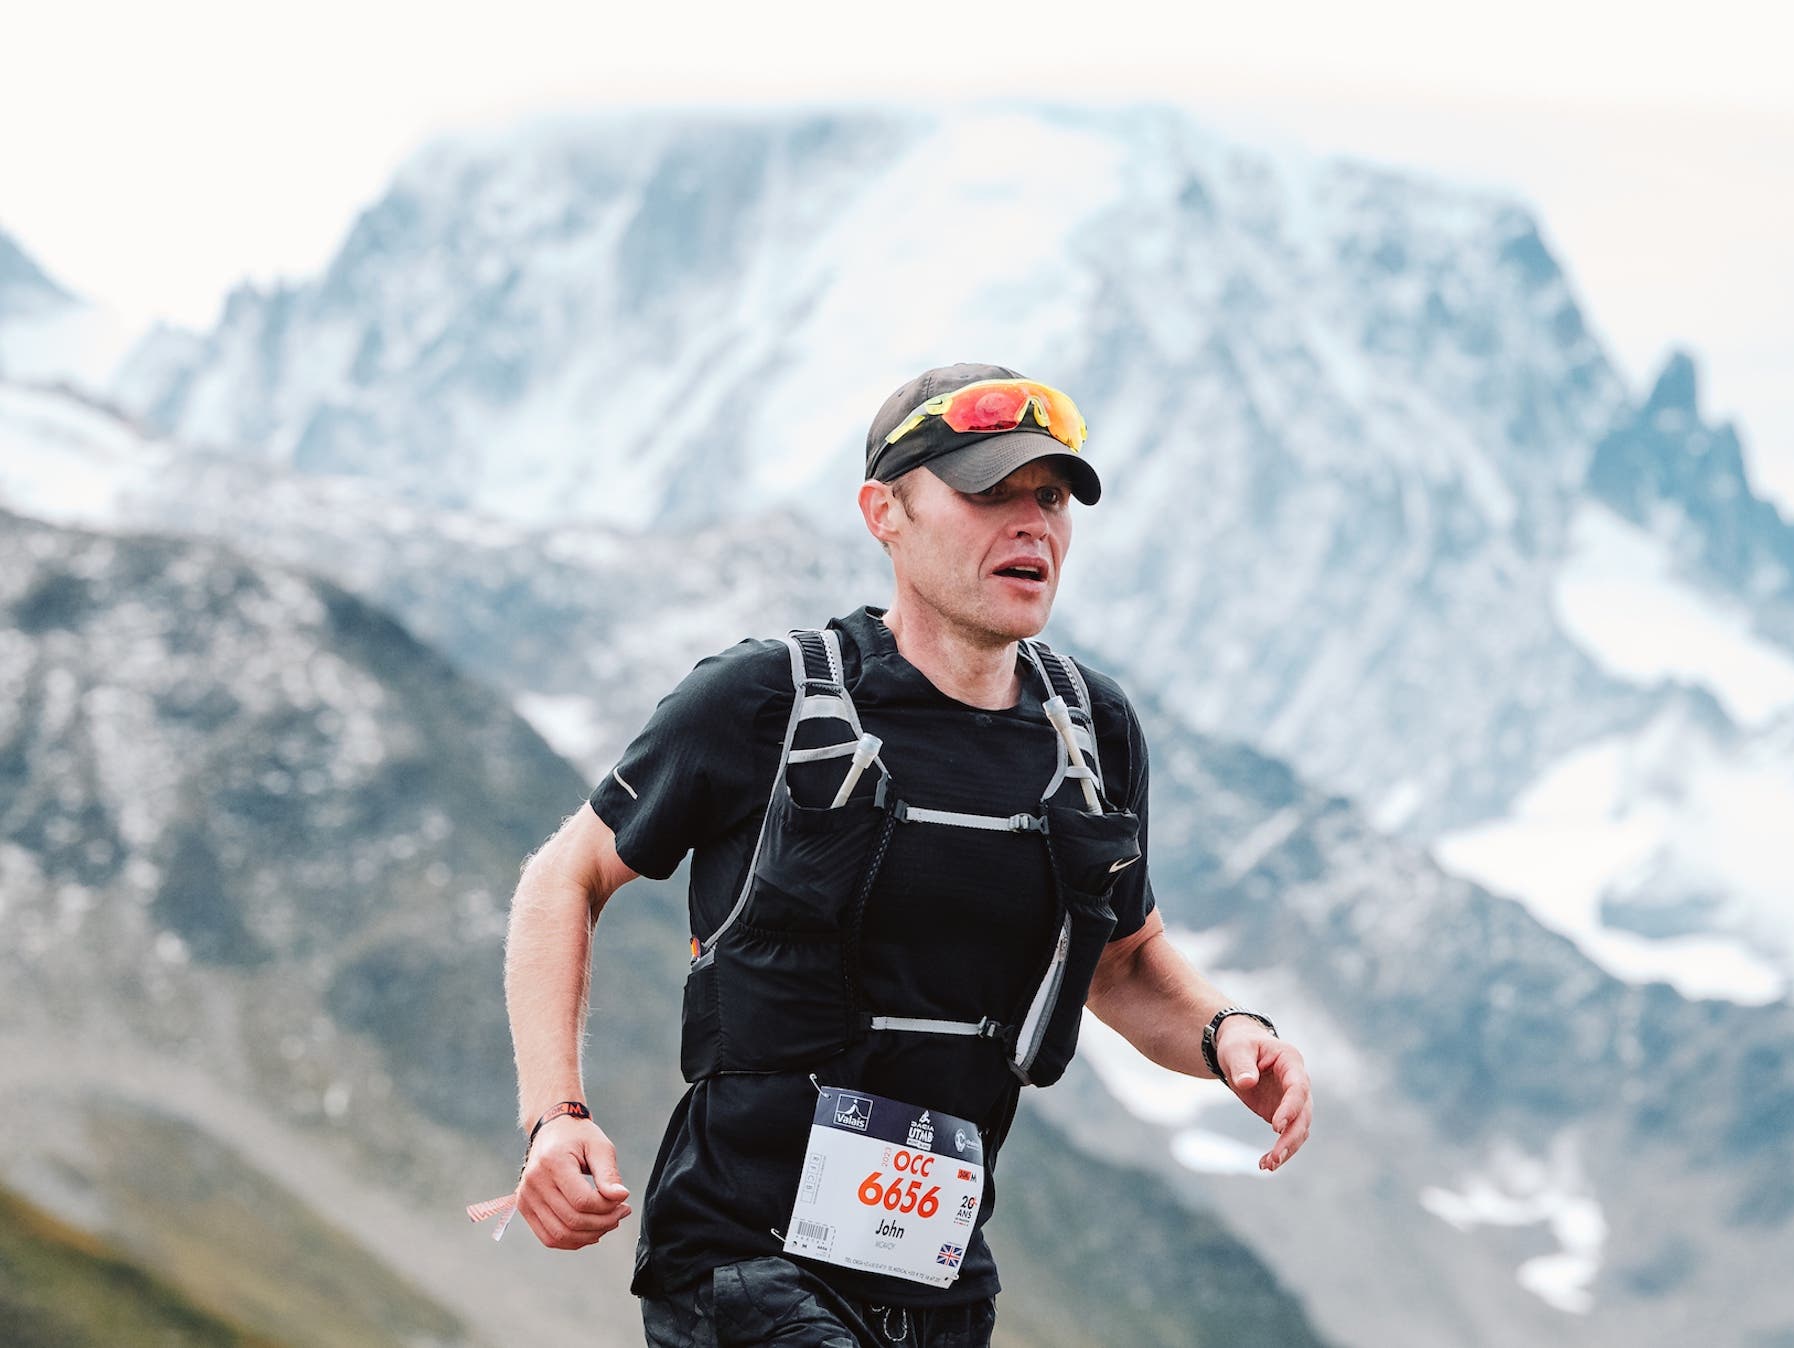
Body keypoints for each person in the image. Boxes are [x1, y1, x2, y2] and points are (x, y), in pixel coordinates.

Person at [497, 362, 1314, 1347]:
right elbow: (565, 876)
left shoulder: (1092, 730)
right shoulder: (770, 700)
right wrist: (556, 1114)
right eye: (988, 492)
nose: (1032, 523)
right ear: (884, 510)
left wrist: (1228, 1033)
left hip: (942, 1291)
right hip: (744, 1265)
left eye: (1051, 496)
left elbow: (1126, 963)